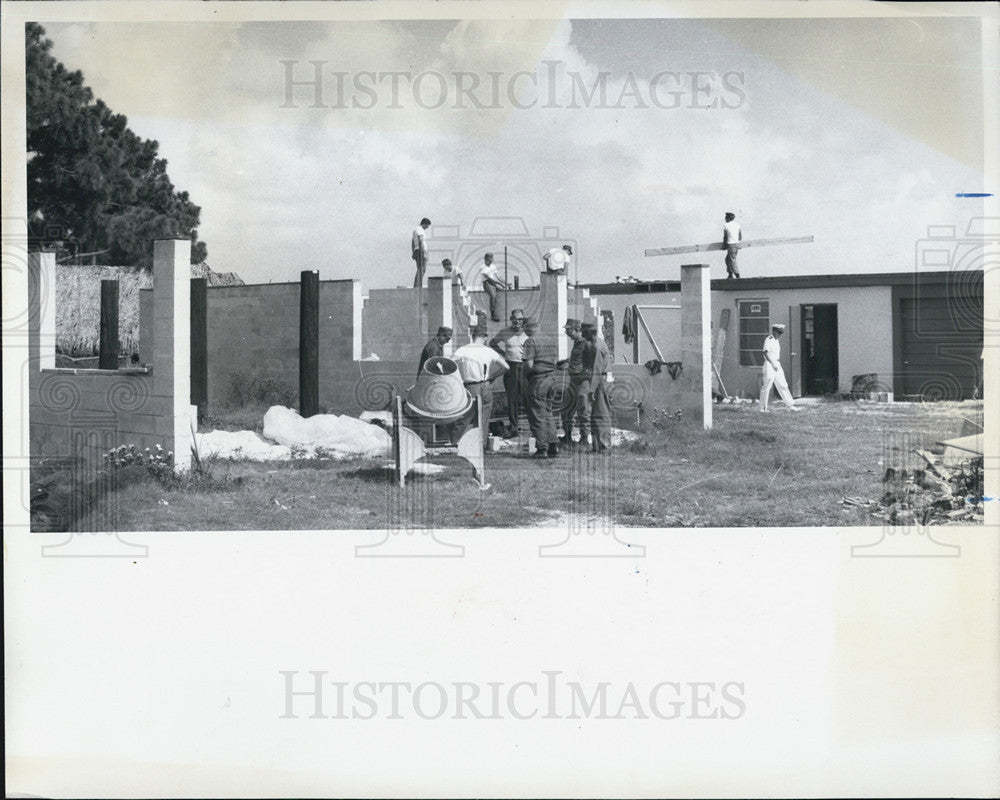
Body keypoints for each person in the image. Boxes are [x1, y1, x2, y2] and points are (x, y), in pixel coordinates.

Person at [451, 324, 509, 445]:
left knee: (464, 417)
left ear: (472, 336)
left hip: (470, 387)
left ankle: (455, 443)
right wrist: (492, 377)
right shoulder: (488, 351)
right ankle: (480, 445)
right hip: (486, 385)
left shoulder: (463, 350)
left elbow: (449, 363)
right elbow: (506, 367)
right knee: (483, 418)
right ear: (485, 337)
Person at [522, 319, 561, 458]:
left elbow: (529, 365)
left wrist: (524, 375)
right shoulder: (550, 340)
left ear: (527, 327)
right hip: (552, 379)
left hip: (539, 380)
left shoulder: (530, 341)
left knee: (537, 414)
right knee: (548, 412)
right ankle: (553, 445)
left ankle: (542, 448)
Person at [490, 309, 529, 437]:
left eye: (520, 319)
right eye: (515, 319)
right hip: (510, 367)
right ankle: (513, 428)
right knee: (512, 399)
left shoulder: (528, 333)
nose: (517, 322)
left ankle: (534, 427)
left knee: (527, 398)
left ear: (523, 320)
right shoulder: (504, 332)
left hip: (524, 367)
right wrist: (503, 354)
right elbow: (492, 343)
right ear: (511, 319)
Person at [560, 318, 593, 447]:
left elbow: (591, 364)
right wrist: (566, 362)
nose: (567, 333)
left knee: (583, 411)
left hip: (583, 382)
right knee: (566, 409)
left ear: (576, 329)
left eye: (569, 330)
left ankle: (584, 438)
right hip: (573, 382)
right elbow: (577, 359)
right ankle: (567, 436)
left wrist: (582, 375)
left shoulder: (586, 343)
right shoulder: (576, 343)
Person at [581, 322, 613, 453]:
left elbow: (597, 370)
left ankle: (604, 447)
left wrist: (592, 390)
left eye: (584, 332)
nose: (582, 334)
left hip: (601, 382)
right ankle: (597, 447)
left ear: (590, 332)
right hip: (600, 381)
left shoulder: (598, 347)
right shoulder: (596, 345)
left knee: (602, 415)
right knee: (596, 415)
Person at [759, 323, 799, 412]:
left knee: (783, 384)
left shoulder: (776, 340)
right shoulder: (769, 339)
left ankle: (790, 405)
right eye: (779, 332)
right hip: (769, 364)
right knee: (767, 386)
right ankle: (763, 408)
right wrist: (772, 363)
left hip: (776, 363)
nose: (780, 334)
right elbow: (765, 352)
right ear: (774, 331)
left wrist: (775, 364)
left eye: (781, 332)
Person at [479, 252, 507, 322]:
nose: (490, 262)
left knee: (500, 293)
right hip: (487, 283)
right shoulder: (482, 267)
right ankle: (492, 314)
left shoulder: (493, 266)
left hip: (493, 283)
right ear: (485, 259)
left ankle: (497, 313)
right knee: (493, 296)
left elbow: (498, 276)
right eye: (488, 260)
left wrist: (505, 282)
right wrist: (497, 284)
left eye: (490, 260)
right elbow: (488, 278)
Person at [412, 218, 431, 288]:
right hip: (421, 250)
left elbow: (413, 242)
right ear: (424, 224)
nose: (427, 228)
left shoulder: (415, 230)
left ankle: (417, 285)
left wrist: (413, 251)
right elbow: (421, 241)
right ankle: (417, 286)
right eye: (427, 226)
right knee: (422, 269)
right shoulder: (420, 230)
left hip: (417, 250)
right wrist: (423, 253)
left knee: (420, 268)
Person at [723, 212, 742, 279]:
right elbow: (740, 236)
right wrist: (738, 242)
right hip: (736, 244)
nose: (725, 218)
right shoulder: (737, 224)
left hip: (731, 244)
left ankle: (737, 275)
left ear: (728, 218)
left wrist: (724, 245)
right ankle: (730, 274)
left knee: (732, 260)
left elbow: (725, 236)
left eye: (726, 217)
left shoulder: (726, 225)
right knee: (727, 259)